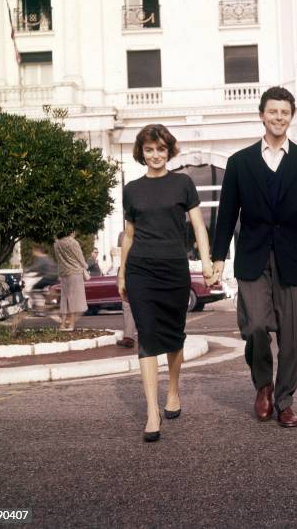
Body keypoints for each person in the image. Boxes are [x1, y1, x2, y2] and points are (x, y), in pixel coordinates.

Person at [212, 86, 297, 428]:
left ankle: (284, 401)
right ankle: (262, 384)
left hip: (293, 258)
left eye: (285, 112)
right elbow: (226, 215)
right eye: (273, 111)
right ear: (262, 114)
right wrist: (219, 256)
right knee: (255, 327)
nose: (279, 117)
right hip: (252, 258)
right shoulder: (239, 163)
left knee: (293, 337)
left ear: (290, 117)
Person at [118, 124, 215, 442]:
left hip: (174, 270)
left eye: (161, 149)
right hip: (140, 271)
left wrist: (206, 262)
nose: (155, 155)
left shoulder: (183, 184)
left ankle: (173, 389)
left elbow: (199, 228)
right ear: (141, 153)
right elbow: (128, 234)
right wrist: (121, 272)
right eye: (149, 150)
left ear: (169, 150)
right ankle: (151, 412)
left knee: (174, 337)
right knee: (147, 336)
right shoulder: (131, 189)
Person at [53, 231, 89, 331]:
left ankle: (62, 324)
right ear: (70, 231)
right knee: (74, 300)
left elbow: (58, 259)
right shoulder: (73, 242)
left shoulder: (56, 244)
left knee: (64, 299)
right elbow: (80, 257)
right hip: (75, 273)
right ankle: (71, 325)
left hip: (63, 273)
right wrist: (86, 266)